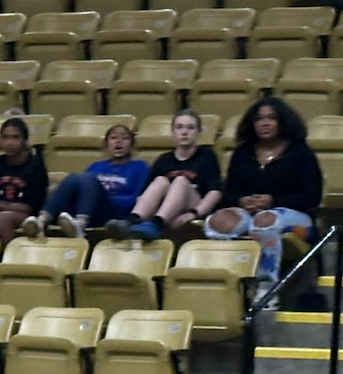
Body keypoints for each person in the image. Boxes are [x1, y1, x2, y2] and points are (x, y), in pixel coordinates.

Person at [206, 97, 322, 284]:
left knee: (265, 221)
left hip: (295, 215)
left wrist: (273, 201)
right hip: (249, 212)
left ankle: (265, 286)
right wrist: (241, 201)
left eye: (271, 118)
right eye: (259, 119)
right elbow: (228, 192)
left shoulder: (301, 153)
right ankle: (227, 282)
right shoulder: (242, 153)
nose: (265, 123)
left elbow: (312, 197)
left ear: (282, 122)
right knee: (219, 221)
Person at [37, 123, 149, 236]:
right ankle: (41, 221)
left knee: (89, 178)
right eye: (113, 138)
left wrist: (105, 196)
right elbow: (83, 190)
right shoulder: (96, 165)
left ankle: (80, 224)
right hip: (91, 209)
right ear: (106, 144)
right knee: (72, 177)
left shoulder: (139, 166)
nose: (118, 141)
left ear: (131, 145)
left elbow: (138, 197)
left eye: (125, 138)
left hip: (116, 213)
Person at [128, 109, 222, 241]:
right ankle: (133, 221)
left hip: (193, 207)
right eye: (179, 127)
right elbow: (144, 194)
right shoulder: (163, 159)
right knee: (161, 180)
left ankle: (157, 224)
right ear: (172, 132)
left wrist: (193, 214)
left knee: (180, 181)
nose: (184, 132)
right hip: (164, 209)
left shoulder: (207, 156)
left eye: (190, 128)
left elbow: (215, 192)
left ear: (198, 132)